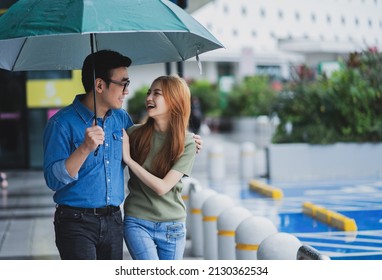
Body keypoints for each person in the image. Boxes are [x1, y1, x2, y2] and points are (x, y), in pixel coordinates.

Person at [43, 50, 202, 260]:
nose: (127, 91)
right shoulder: (61, 123)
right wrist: (84, 149)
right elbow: (53, 180)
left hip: (113, 221)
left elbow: (149, 137)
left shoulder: (121, 119)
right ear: (100, 85)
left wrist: (185, 139)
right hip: (75, 222)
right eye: (123, 84)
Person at [122, 75, 196, 260]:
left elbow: (163, 187)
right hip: (137, 221)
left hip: (173, 225)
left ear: (175, 100)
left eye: (157, 93)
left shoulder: (187, 142)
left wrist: (129, 160)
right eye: (149, 93)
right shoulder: (132, 134)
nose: (149, 98)